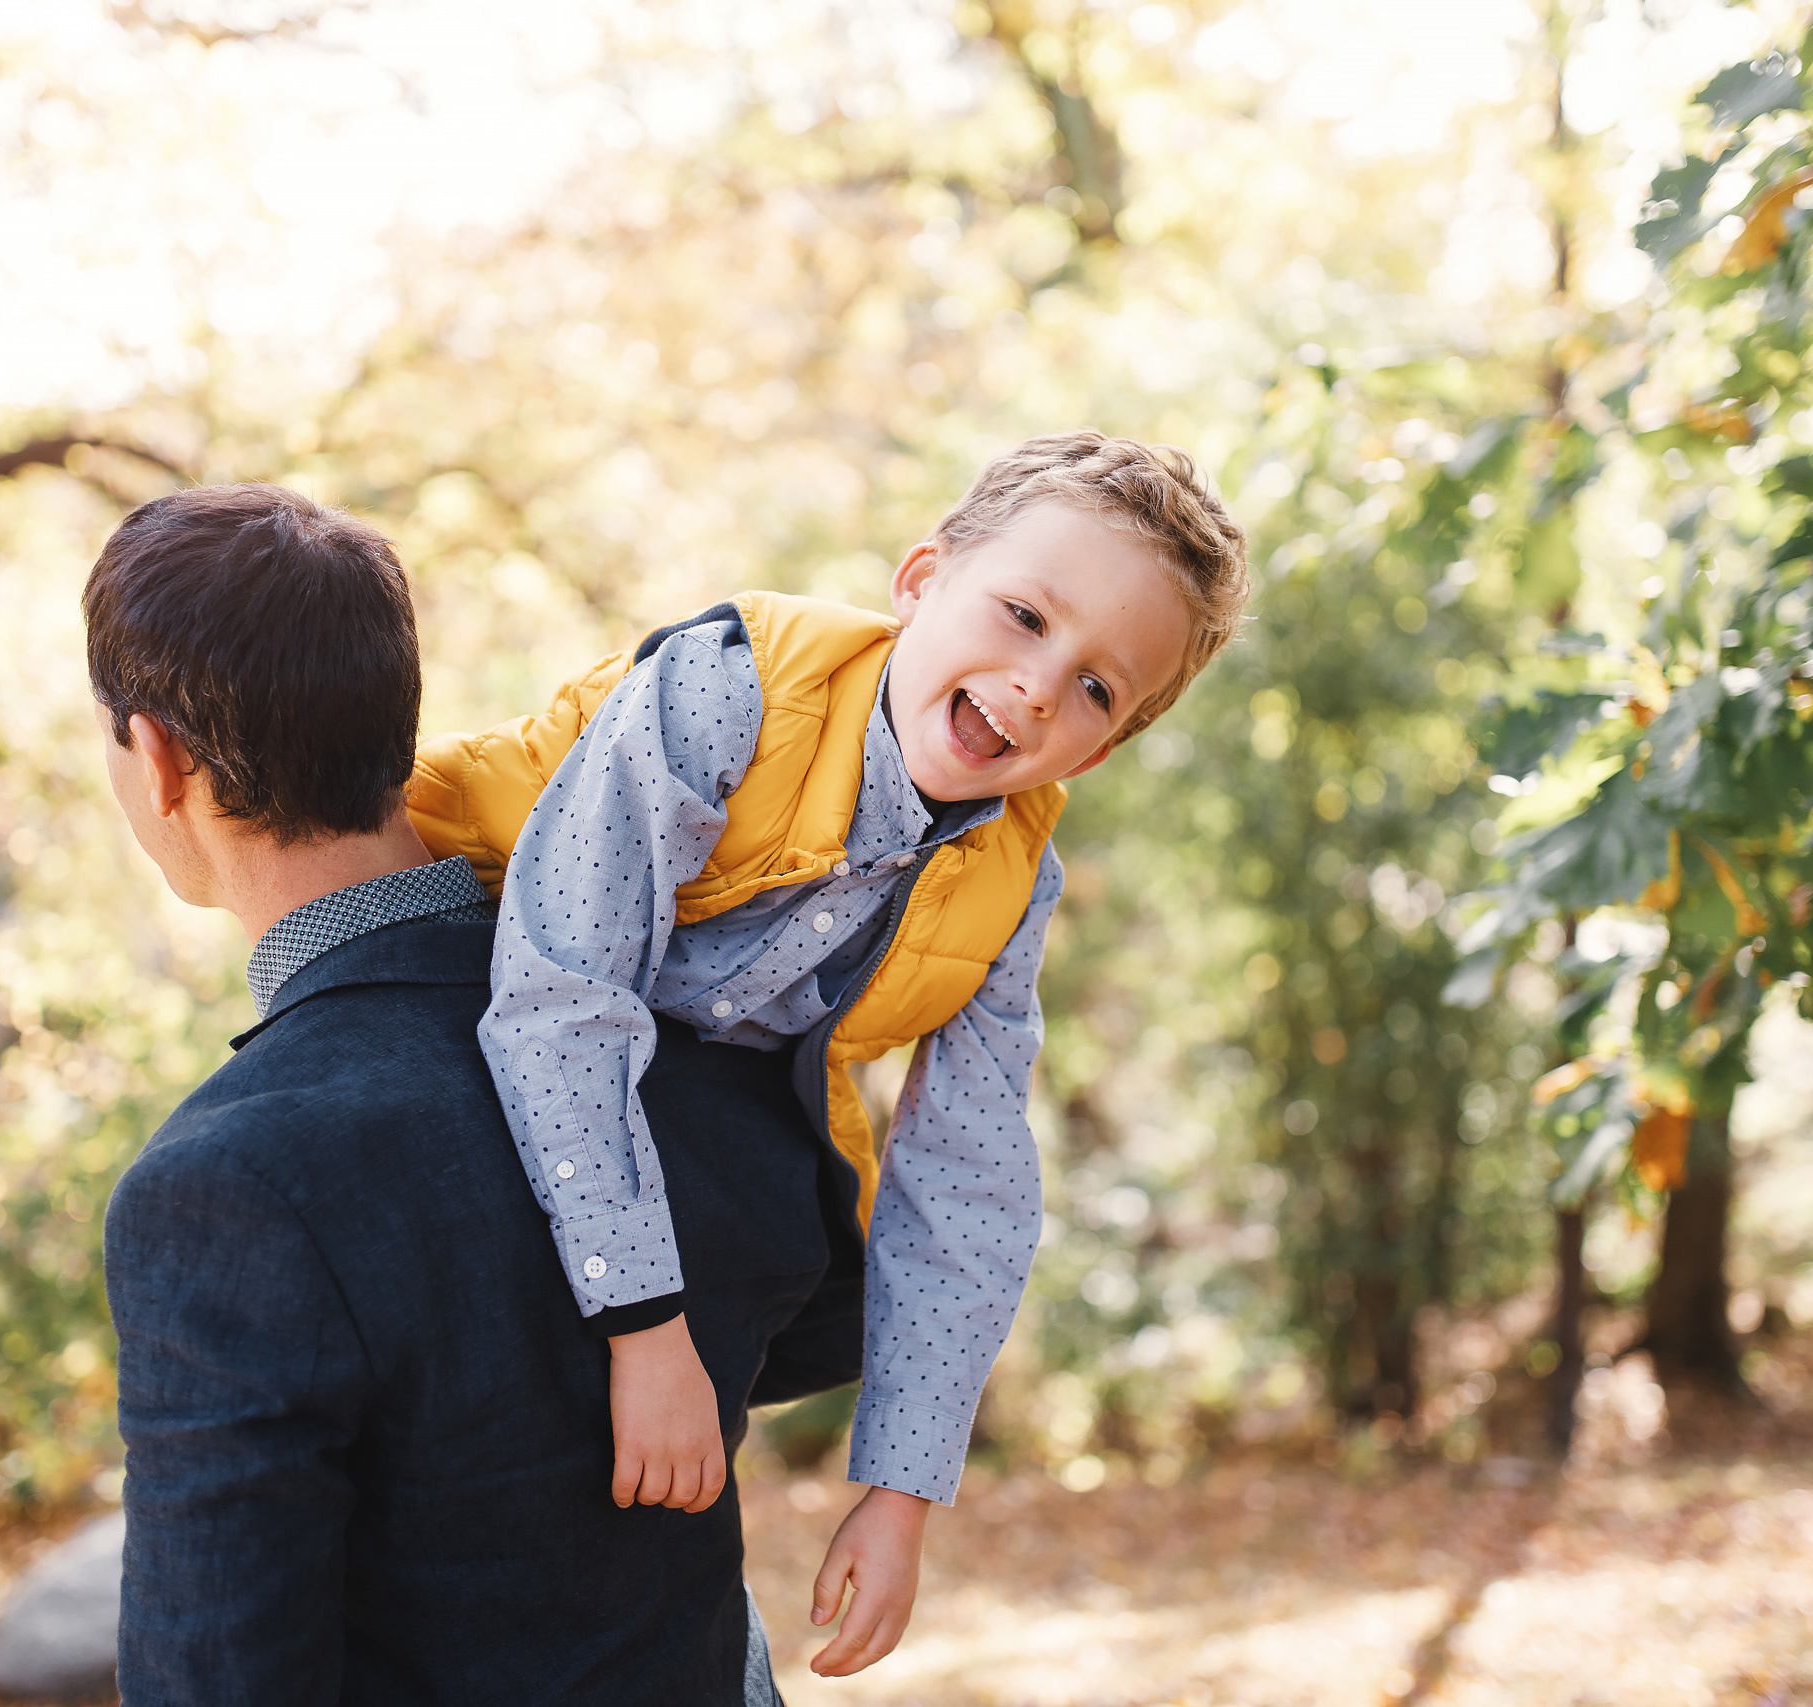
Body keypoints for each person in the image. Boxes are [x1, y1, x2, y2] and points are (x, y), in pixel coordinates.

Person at [409, 431, 1250, 1675]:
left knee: (779, 1254)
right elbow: (569, 991)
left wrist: (900, 1493)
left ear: (1104, 747)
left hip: (697, 1098)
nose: (1034, 687)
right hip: (466, 931)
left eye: (1093, 690)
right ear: (921, 577)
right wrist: (649, 1333)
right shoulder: (731, 688)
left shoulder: (1010, 881)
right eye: (1022, 617)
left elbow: (965, 1181)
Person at [90, 483, 839, 1704]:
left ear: (159, 761)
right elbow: (834, 1304)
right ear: (395, 722)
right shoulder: (687, 1037)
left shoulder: (225, 1189)